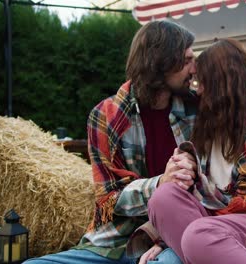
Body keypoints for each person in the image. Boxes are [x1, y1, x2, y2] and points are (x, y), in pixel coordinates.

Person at [24, 20, 198, 264]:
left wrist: (162, 237)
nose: (195, 69)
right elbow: (108, 198)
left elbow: (208, 189)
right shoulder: (105, 116)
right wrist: (161, 183)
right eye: (187, 60)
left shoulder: (198, 110)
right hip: (114, 241)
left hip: (173, 233)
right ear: (162, 62)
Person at [146, 39, 246, 264]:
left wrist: (204, 211)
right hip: (215, 232)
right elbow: (197, 202)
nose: (198, 90)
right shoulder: (205, 128)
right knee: (162, 198)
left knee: (200, 235)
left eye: (202, 83)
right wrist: (165, 240)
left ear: (220, 84)